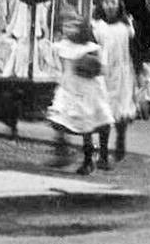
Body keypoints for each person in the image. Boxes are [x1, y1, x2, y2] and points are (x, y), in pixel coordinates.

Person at [47, 12, 116, 174]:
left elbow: (102, 69)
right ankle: (62, 153)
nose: (69, 29)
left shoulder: (90, 47)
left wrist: (90, 65)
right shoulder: (62, 45)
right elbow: (59, 64)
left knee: (91, 124)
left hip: (89, 90)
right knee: (59, 119)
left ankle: (95, 158)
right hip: (69, 89)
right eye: (66, 25)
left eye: (73, 26)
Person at [93, 0, 137, 162]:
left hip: (122, 73)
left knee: (121, 109)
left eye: (113, 2)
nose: (110, 6)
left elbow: (134, 47)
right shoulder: (96, 25)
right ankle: (103, 152)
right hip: (103, 74)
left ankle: (120, 140)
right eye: (106, 2)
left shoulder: (126, 26)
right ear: (101, 5)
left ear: (119, 5)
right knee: (104, 110)